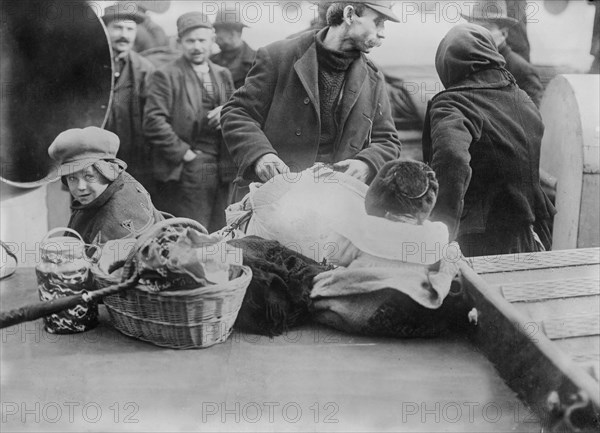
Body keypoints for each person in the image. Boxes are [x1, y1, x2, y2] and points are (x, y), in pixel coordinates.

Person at [221, 1, 402, 201]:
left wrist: (367, 163)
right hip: (271, 198)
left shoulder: (373, 79)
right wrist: (260, 155)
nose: (383, 33)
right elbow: (237, 112)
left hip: (334, 204)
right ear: (349, 15)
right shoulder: (278, 56)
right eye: (378, 22)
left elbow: (387, 140)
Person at [422, 24, 555, 257]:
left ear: (447, 63)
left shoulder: (453, 103)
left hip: (479, 238)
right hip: (530, 231)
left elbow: (452, 159)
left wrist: (441, 228)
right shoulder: (520, 97)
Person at [143, 12, 235, 233]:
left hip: (223, 166)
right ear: (180, 42)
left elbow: (238, 111)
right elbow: (153, 121)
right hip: (190, 167)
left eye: (202, 40)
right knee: (193, 231)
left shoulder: (222, 74)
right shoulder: (166, 75)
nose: (196, 46)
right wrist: (186, 154)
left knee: (222, 228)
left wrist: (225, 110)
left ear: (212, 41)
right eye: (190, 41)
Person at [47, 127, 164, 245]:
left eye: (89, 176)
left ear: (108, 172)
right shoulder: (101, 193)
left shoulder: (120, 213)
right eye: (72, 178)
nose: (80, 187)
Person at [102, 4, 155, 190]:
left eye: (130, 29)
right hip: (94, 156)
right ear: (105, 29)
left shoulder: (145, 69)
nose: (124, 34)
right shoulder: (88, 65)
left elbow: (152, 117)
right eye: (117, 27)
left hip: (131, 158)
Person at [461, 0, 544, 107]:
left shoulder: (523, 71)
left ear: (504, 33)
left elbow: (533, 119)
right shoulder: (467, 64)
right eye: (474, 28)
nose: (478, 34)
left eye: (487, 28)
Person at [210, 8, 256, 90]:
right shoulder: (211, 61)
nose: (215, 36)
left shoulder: (256, 61)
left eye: (217, 31)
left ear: (232, 33)